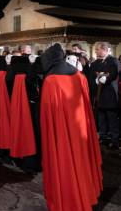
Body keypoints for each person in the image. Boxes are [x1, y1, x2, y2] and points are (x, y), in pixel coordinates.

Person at [40, 43, 102, 211]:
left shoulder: (51, 81)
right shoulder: (79, 75)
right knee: (82, 160)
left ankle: (69, 200)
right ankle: (86, 194)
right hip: (81, 128)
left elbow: (47, 118)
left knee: (65, 162)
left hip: (62, 133)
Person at [88, 42, 119, 150]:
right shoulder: (95, 63)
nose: (96, 52)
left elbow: (114, 73)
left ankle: (115, 140)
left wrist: (107, 78)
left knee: (112, 118)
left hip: (110, 95)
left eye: (98, 50)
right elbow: (91, 76)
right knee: (101, 118)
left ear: (105, 50)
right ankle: (103, 136)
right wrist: (95, 81)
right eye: (96, 50)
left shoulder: (113, 60)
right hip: (99, 94)